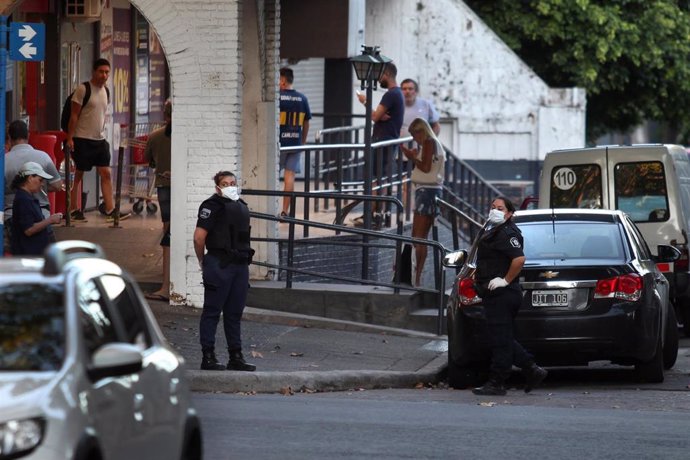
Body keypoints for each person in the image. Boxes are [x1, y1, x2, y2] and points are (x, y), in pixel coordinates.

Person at [471, 196, 547, 396]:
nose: (495, 211)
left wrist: (505, 280)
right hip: (495, 293)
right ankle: (531, 370)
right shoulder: (493, 230)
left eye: (501, 208)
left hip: (503, 293)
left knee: (501, 340)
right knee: (502, 338)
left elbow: (519, 259)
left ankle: (498, 382)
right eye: (493, 207)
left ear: (510, 213)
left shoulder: (506, 232)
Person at [193, 170, 256, 372]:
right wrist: (202, 261)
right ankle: (208, 356)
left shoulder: (241, 206)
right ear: (217, 187)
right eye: (225, 183)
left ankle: (235, 357)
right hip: (218, 263)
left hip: (239, 265)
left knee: (234, 313)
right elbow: (198, 238)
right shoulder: (211, 206)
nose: (230, 186)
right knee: (212, 312)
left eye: (233, 183)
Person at [65, 58, 130, 223]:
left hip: (99, 140)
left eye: (107, 72)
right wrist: (70, 138)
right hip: (81, 138)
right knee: (78, 175)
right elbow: (73, 116)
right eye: (101, 71)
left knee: (106, 173)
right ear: (94, 72)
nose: (104, 75)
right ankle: (73, 209)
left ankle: (110, 210)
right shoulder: (83, 89)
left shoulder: (106, 91)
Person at [355, 62, 404, 228]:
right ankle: (375, 214)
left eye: (380, 74)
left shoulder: (391, 94)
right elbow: (379, 115)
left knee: (376, 179)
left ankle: (373, 215)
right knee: (379, 178)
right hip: (386, 141)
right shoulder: (397, 95)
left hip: (382, 142)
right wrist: (378, 114)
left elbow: (375, 116)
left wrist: (364, 101)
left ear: (388, 75)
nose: (378, 78)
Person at [4, 120, 63, 253]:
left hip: (9, 217)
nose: (41, 183)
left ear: (10, 138)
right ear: (28, 135)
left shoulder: (4, 161)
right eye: (40, 179)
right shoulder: (43, 157)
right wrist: (44, 188)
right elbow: (57, 185)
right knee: (50, 260)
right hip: (41, 216)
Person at [400, 118, 445, 287]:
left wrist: (411, 156)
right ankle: (417, 276)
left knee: (417, 238)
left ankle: (415, 276)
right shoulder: (434, 143)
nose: (414, 139)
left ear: (420, 131)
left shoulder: (429, 142)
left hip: (426, 191)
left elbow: (425, 167)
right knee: (422, 238)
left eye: (414, 135)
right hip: (432, 192)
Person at [144, 100, 172, 302]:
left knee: (167, 229)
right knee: (172, 235)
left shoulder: (154, 137)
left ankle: (167, 281)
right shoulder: (189, 136)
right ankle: (169, 280)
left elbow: (150, 160)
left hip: (164, 187)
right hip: (180, 189)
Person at [10, 162, 63, 256]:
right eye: (40, 180)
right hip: (28, 255)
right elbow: (29, 229)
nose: (42, 184)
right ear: (30, 178)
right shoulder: (23, 199)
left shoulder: (27, 197)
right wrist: (50, 220)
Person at [279, 67, 311, 218]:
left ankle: (268, 209)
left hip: (279, 144)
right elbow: (306, 124)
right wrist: (302, 142)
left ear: (283, 80)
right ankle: (285, 211)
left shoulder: (277, 98)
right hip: (295, 144)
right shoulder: (302, 99)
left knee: (271, 175)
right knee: (289, 177)